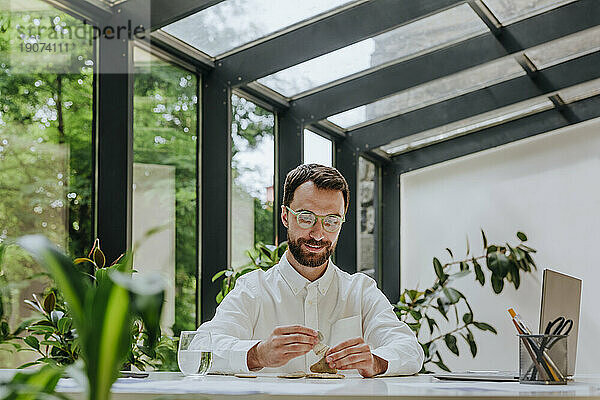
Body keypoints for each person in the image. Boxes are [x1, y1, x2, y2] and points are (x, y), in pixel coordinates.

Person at [199, 164, 423, 377]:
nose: (318, 234)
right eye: (306, 218)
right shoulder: (253, 289)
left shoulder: (361, 291)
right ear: (286, 216)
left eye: (332, 221)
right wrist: (258, 354)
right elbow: (201, 347)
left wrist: (376, 362)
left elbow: (410, 350)